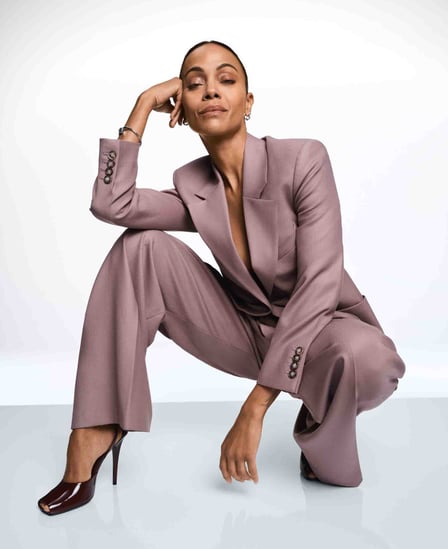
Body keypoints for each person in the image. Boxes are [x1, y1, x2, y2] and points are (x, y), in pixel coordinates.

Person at [38, 40, 406, 515]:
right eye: (195, 84)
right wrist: (143, 106)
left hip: (324, 332)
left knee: (369, 361)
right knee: (139, 247)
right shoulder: (194, 186)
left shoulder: (303, 159)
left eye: (226, 79)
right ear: (183, 112)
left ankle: (318, 417)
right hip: (245, 331)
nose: (211, 90)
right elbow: (114, 205)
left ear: (247, 102)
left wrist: (254, 408)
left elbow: (319, 284)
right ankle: (97, 427)